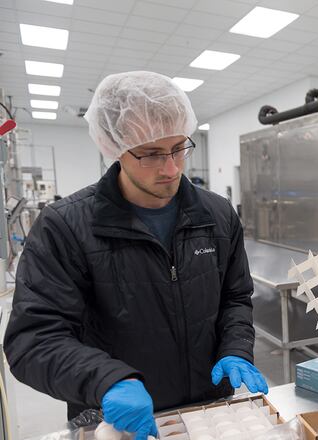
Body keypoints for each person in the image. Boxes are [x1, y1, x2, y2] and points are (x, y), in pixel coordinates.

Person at [3, 71, 267, 440]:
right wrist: (108, 380)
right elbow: (32, 340)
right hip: (112, 420)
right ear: (116, 147)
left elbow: (235, 298)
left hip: (205, 414)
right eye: (152, 154)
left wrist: (236, 347)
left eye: (179, 148)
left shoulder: (217, 216)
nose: (171, 168)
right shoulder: (65, 227)